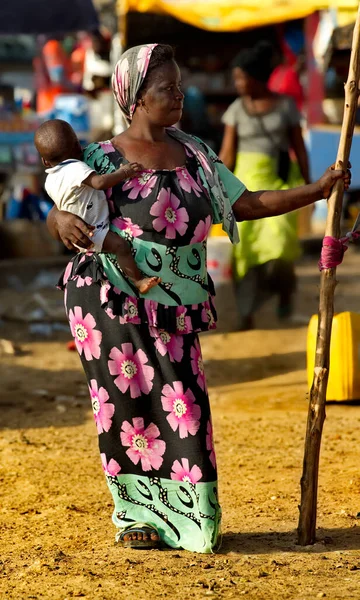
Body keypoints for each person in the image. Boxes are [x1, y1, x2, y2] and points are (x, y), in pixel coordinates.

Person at [46, 43, 349, 553]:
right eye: (166, 88)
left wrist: (317, 190)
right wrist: (58, 220)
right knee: (124, 406)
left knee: (181, 402)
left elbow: (245, 202)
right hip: (106, 296)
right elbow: (64, 203)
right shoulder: (99, 158)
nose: (179, 95)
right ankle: (134, 516)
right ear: (136, 98)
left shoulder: (197, 157)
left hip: (176, 298)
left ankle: (191, 516)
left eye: (180, 86)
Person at [219, 41, 310, 330]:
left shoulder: (285, 106)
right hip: (244, 188)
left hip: (279, 183)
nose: (237, 83)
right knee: (245, 253)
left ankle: (283, 293)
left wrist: (311, 187)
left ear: (257, 77)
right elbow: (227, 155)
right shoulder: (235, 110)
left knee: (281, 246)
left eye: (241, 77)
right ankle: (246, 312)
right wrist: (213, 184)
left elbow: (298, 146)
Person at [35, 119, 160, 294]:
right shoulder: (76, 168)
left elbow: (60, 205)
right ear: (78, 146)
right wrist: (123, 172)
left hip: (79, 235)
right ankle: (137, 281)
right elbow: (100, 182)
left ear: (45, 161)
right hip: (93, 229)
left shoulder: (50, 180)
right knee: (121, 247)